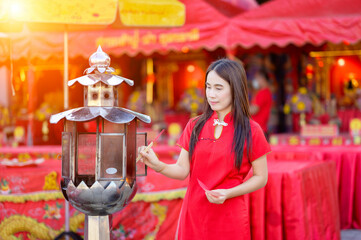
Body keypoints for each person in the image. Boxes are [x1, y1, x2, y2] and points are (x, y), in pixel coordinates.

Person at [139, 59, 270, 240]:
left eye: (218, 88)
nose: (211, 94)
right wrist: (157, 165)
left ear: (235, 89)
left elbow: (261, 177)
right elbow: (182, 170)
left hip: (229, 217)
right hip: (194, 214)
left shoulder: (251, 130)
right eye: (208, 87)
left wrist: (229, 193)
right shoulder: (195, 125)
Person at [249, 68, 272, 135]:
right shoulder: (265, 92)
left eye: (256, 78)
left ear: (262, 79)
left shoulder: (263, 93)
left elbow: (254, 110)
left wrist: (240, 108)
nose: (255, 80)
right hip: (259, 128)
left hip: (258, 129)